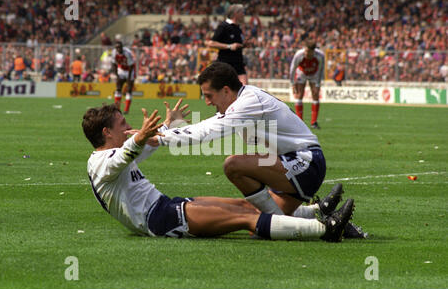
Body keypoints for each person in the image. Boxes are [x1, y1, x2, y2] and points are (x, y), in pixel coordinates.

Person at [82, 100, 354, 242]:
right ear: (107, 133)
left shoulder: (118, 153)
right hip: (159, 220)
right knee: (245, 219)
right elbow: (125, 155)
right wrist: (139, 137)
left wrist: (166, 126)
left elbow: (144, 147)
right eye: (122, 124)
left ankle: (315, 211)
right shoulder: (99, 162)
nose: (127, 126)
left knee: (245, 205)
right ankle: (325, 229)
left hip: (166, 206)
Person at [154, 62, 365, 239]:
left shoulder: (247, 103)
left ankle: (299, 224)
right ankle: (326, 216)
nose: (207, 102)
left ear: (226, 90)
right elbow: (207, 124)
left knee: (234, 166)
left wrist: (159, 138)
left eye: (209, 95)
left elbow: (208, 132)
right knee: (257, 216)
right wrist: (167, 129)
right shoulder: (243, 100)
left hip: (304, 162)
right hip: (293, 161)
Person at [205, 4, 248, 85]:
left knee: (244, 90)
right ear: (236, 13)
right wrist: (229, 46)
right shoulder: (223, 26)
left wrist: (243, 45)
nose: (244, 14)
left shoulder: (238, 27)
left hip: (238, 64)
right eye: (242, 12)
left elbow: (236, 45)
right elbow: (211, 43)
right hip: (226, 64)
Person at [290, 40, 325, 129]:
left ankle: (314, 122)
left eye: (308, 52)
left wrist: (318, 83)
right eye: (305, 50)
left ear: (313, 51)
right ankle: (299, 123)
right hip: (302, 72)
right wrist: (292, 83)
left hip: (314, 74)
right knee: (299, 95)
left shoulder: (320, 56)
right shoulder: (299, 55)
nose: (306, 53)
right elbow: (293, 69)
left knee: (315, 95)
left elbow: (321, 69)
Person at [111, 41, 135, 114]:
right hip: (121, 69)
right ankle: (117, 108)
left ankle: (126, 109)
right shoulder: (114, 53)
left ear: (122, 47)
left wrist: (129, 77)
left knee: (129, 89)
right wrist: (117, 75)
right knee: (118, 88)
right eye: (117, 47)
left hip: (129, 70)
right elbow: (113, 64)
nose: (118, 49)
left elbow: (131, 65)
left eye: (119, 47)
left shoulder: (127, 53)